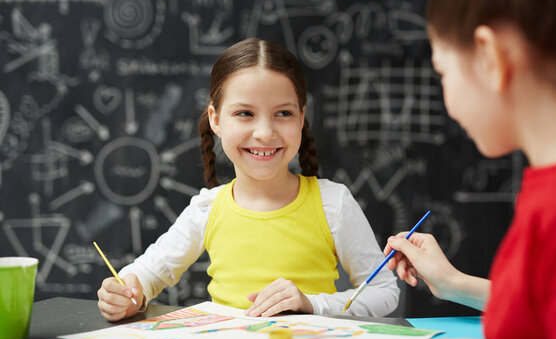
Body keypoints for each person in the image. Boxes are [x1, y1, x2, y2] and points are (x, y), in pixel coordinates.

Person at [380, 0, 556, 339]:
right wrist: (454, 285)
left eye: (443, 71)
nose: (445, 96)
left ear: (488, 57)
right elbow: (554, 310)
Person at [96, 38, 399, 322]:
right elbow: (148, 274)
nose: (265, 132)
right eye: (244, 113)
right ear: (216, 120)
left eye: (283, 113)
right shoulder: (207, 208)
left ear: (302, 118)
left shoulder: (333, 202)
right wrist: (128, 293)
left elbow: (384, 292)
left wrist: (312, 303)